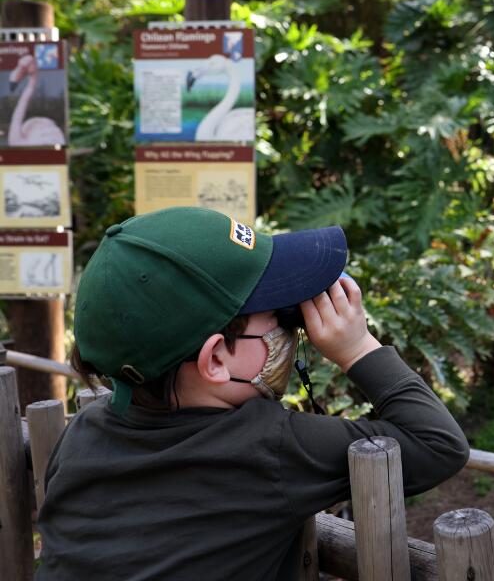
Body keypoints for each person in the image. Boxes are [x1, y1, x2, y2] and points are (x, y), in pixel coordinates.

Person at [36, 207, 470, 580]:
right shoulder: (268, 446)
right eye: (277, 317)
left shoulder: (83, 436)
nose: (293, 327)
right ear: (216, 359)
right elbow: (439, 443)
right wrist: (358, 348)